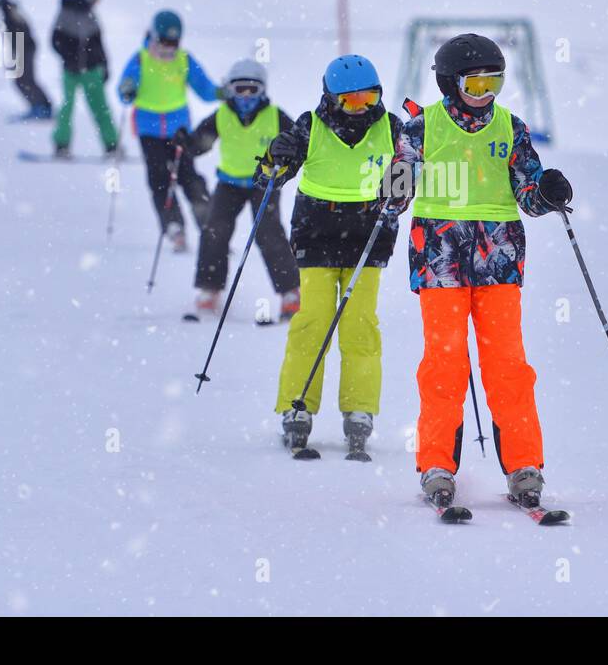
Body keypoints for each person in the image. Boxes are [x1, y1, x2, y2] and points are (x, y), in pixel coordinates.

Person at [393, 33, 572, 509]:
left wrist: (549, 191)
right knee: (444, 367)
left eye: (494, 81)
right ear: (451, 83)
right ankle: (436, 464)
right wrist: (390, 193)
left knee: (508, 367)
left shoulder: (511, 129)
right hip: (440, 261)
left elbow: (529, 194)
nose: (486, 92)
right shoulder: (419, 128)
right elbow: (397, 187)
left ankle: (523, 465)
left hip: (498, 261)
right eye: (476, 82)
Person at [254, 54, 403, 460]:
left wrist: (397, 194)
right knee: (312, 322)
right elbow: (269, 179)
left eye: (369, 98)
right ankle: (296, 406)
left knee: (360, 326)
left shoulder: (391, 128)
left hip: (368, 239)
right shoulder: (310, 125)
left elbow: (405, 181)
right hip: (317, 235)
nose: (363, 108)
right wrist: (274, 157)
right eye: (351, 101)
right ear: (330, 99)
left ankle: (359, 410)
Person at [187, 60, 299, 317]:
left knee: (268, 233)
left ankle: (290, 292)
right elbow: (201, 143)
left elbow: (297, 141)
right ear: (230, 91)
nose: (246, 96)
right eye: (240, 90)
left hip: (264, 182)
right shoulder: (222, 114)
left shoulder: (274, 115)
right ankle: (209, 288)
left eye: (252, 90)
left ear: (262, 91)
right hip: (229, 182)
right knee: (215, 229)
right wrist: (188, 143)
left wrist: (287, 156)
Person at [116, 10, 220, 252]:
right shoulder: (141, 59)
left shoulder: (183, 60)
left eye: (173, 43)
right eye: (163, 42)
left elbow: (204, 90)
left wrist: (224, 92)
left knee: (189, 177)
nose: (168, 49)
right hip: (148, 130)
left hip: (179, 130)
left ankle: (208, 224)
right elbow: (124, 91)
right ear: (153, 36)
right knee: (159, 179)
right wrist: (127, 90)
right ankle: (174, 227)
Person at [51, 0, 117, 158]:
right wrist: (69, 56)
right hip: (70, 71)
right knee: (67, 107)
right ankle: (61, 145)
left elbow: (99, 44)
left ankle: (111, 145)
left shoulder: (91, 15)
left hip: (92, 71)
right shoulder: (65, 12)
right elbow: (55, 41)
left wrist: (104, 65)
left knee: (101, 107)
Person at [0, 0, 52, 120]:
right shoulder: (8, 9)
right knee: (24, 79)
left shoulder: (8, 9)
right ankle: (41, 107)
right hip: (23, 47)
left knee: (24, 79)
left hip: (24, 47)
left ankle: (42, 108)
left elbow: (20, 29)